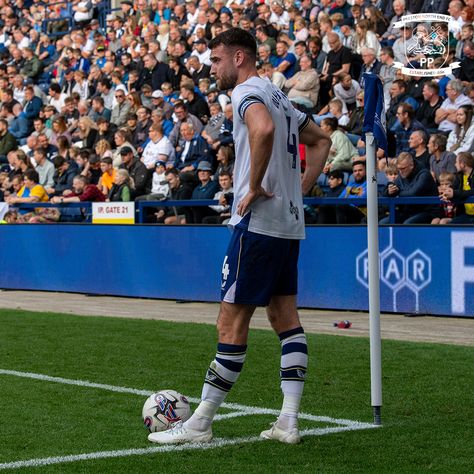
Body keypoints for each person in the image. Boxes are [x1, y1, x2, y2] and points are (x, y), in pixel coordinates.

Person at [148, 28, 330, 446]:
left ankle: (200, 423)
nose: (212, 68)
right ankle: (288, 421)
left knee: (231, 319)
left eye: (216, 60)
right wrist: (299, 191)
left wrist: (252, 184)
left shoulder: (246, 92)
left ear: (240, 58)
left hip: (259, 222)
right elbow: (320, 141)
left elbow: (262, 130)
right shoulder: (277, 93)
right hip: (287, 223)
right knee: (285, 318)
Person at [381, 152, 438, 224]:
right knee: (383, 223)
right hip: (408, 212)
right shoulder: (402, 174)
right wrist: (389, 191)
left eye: (403, 168)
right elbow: (387, 189)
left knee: (407, 224)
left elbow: (413, 193)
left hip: (427, 211)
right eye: (399, 169)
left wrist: (397, 193)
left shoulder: (424, 174)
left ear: (411, 165)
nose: (400, 172)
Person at [440, 151, 474, 224]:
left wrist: (454, 193)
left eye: (456, 162)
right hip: (466, 215)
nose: (455, 164)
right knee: (448, 225)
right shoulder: (459, 176)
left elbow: (472, 191)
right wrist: (446, 193)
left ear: (463, 164)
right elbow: (453, 190)